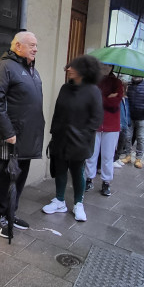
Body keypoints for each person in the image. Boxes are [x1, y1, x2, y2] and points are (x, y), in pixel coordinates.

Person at [0, 31, 44, 238]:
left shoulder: (30, 69)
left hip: (27, 136)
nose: (35, 49)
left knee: (19, 177)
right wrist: (8, 132)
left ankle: (10, 213)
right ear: (18, 46)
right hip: (10, 136)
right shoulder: (5, 67)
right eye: (32, 45)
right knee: (5, 176)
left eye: (36, 45)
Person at [42, 55, 102, 221]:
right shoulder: (65, 88)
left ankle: (78, 204)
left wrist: (82, 135)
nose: (68, 69)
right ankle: (60, 201)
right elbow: (58, 112)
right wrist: (54, 133)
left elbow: (96, 119)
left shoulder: (93, 91)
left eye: (72, 67)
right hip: (61, 138)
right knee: (60, 169)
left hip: (80, 141)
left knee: (77, 171)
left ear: (83, 70)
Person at [85, 64, 124, 195]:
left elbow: (115, 102)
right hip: (94, 123)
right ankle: (89, 179)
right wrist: (107, 98)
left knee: (108, 156)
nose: (105, 68)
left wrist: (100, 99)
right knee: (91, 154)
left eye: (108, 66)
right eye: (103, 65)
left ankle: (106, 182)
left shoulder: (117, 82)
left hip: (111, 125)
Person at [120, 76, 144, 169]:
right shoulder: (129, 84)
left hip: (142, 116)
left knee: (140, 138)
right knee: (128, 137)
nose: (136, 76)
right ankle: (128, 155)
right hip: (130, 115)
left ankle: (138, 158)